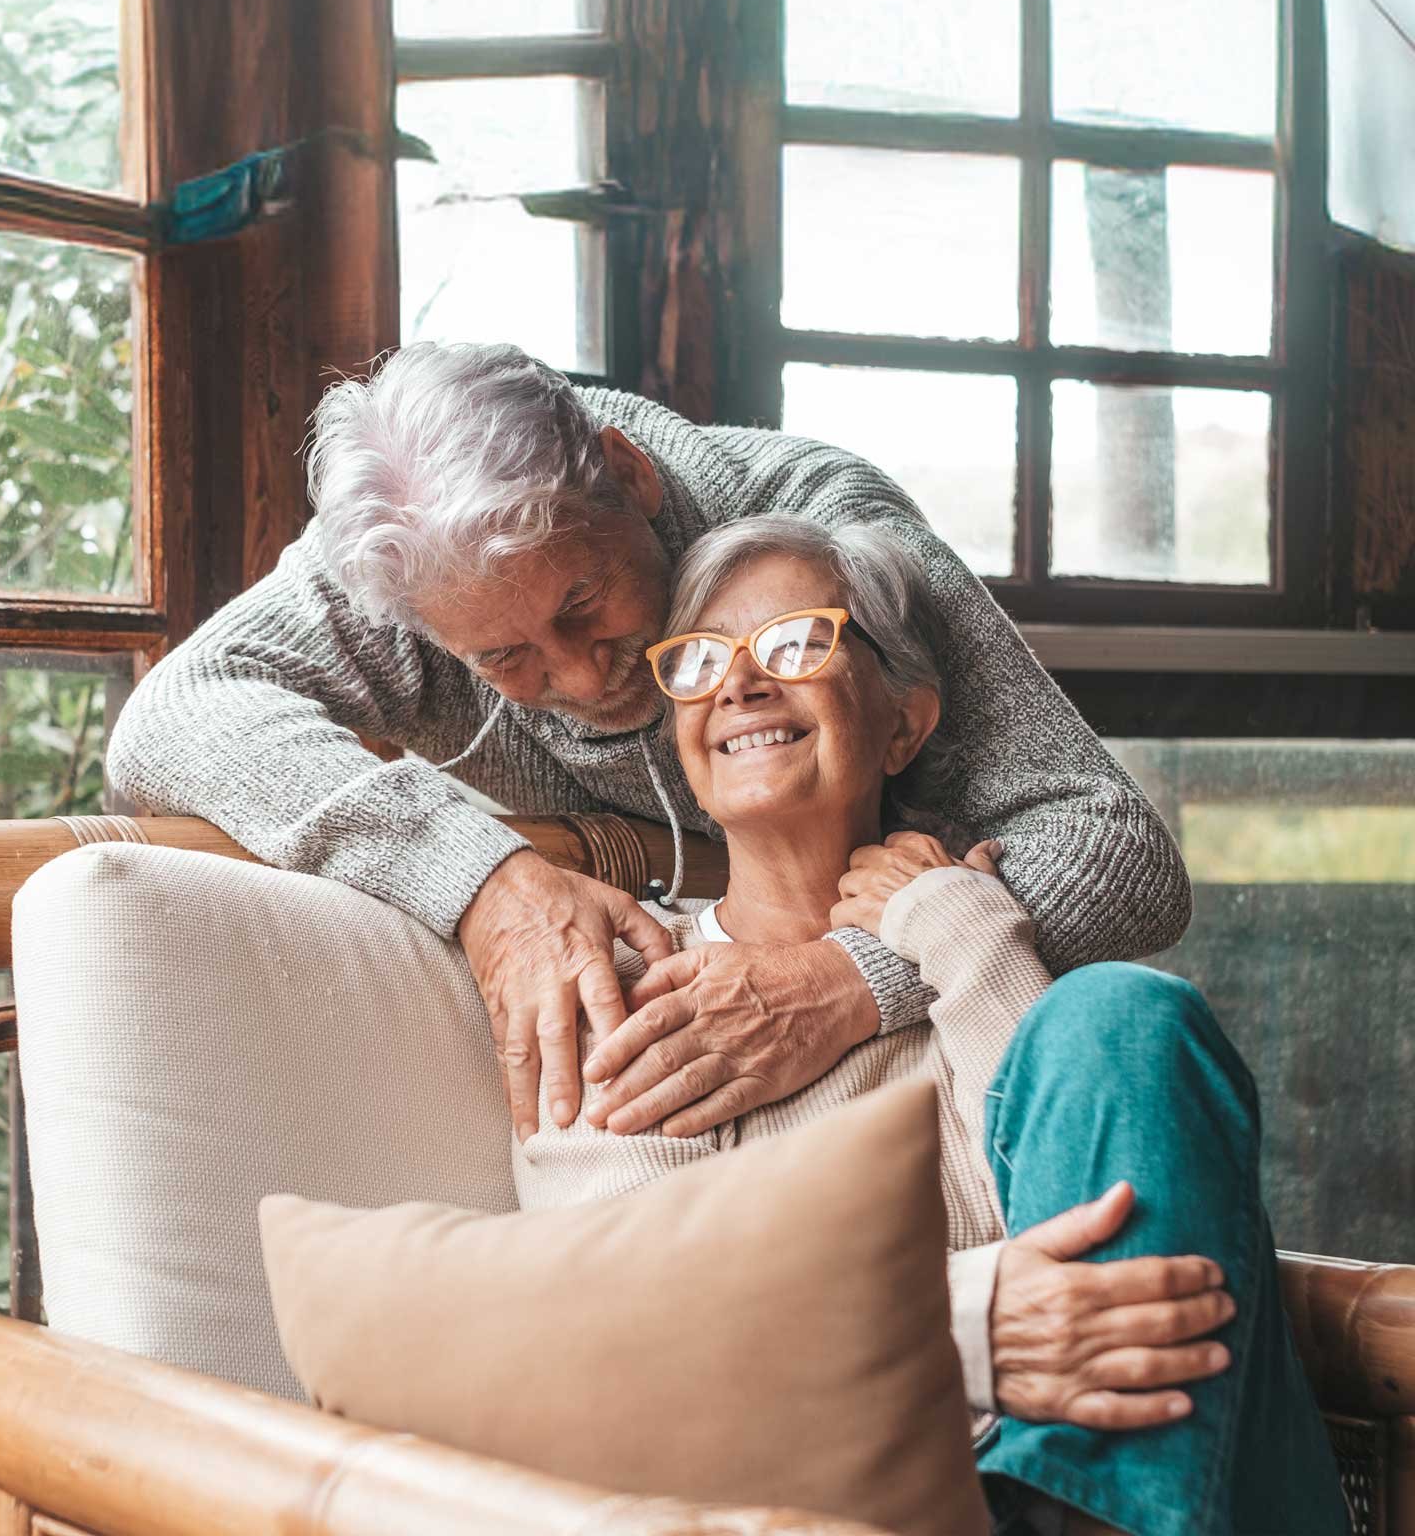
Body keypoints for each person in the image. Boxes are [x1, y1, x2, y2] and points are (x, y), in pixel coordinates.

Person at [106, 343, 1190, 1144]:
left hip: (945, 1053)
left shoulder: (822, 535)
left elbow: (1117, 850)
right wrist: (486, 884)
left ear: (627, 472)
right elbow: (176, 715)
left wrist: (846, 981)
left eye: (585, 602)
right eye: (505, 662)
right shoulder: (407, 566)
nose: (579, 679)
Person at [517, 515, 1337, 1536]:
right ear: (683, 739)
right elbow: (626, 1321)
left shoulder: (977, 945)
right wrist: (964, 1318)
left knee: (1128, 1013)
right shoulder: (631, 991)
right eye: (700, 661)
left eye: (795, 642)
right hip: (852, 1503)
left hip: (1101, 1469)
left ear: (903, 722)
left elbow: (1075, 1225)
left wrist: (961, 932)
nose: (740, 683)